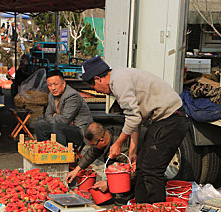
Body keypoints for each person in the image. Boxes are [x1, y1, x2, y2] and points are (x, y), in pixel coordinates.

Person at [81, 56, 189, 204]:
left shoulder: (119, 82)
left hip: (171, 120)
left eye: (94, 87)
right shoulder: (118, 77)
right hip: (160, 121)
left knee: (152, 170)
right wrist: (132, 151)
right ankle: (140, 208)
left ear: (98, 78)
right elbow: (134, 118)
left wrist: (117, 143)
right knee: (140, 167)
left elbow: (133, 118)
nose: (98, 92)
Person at [34, 69, 93, 147]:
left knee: (57, 127)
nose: (53, 88)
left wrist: (55, 116)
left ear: (64, 83)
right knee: (40, 124)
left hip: (80, 131)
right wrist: (55, 118)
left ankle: (61, 155)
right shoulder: (51, 95)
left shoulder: (72, 95)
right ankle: (46, 150)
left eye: (55, 84)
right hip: (62, 127)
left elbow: (64, 120)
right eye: (50, 85)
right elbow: (47, 114)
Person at [66, 122, 130, 192]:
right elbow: (91, 154)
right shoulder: (106, 135)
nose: (92, 147)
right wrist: (76, 170)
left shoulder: (121, 148)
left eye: (93, 145)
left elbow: (130, 172)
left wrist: (108, 184)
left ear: (102, 140)